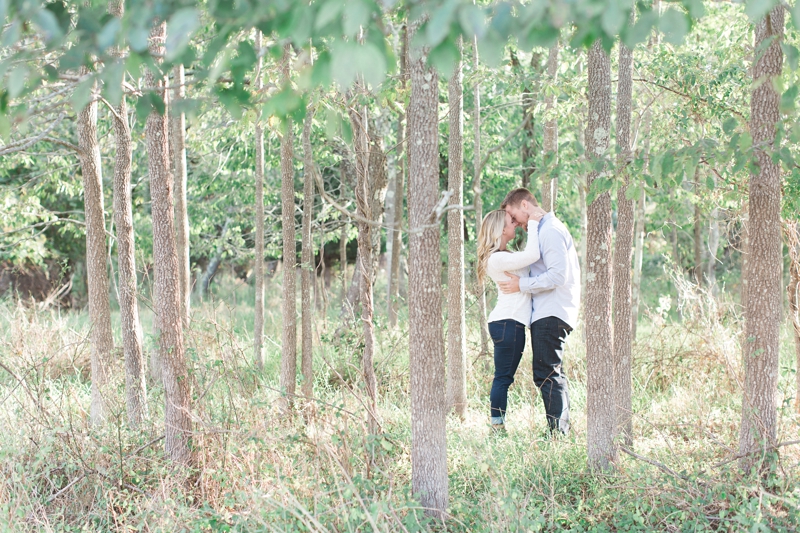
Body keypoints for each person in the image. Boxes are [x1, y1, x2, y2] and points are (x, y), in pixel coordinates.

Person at [499, 188, 580, 435]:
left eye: (513, 216)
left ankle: (558, 434)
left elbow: (557, 275)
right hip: (548, 311)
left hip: (551, 311)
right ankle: (560, 430)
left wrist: (520, 285)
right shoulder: (541, 231)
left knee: (547, 374)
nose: (514, 222)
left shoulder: (551, 230)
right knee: (550, 372)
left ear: (525, 205)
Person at [477, 209, 542, 432]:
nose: (514, 223)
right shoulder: (498, 258)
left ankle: (497, 425)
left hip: (508, 323)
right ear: (501, 229)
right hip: (508, 323)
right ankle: (496, 428)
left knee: (503, 377)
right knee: (503, 378)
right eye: (510, 221)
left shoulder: (505, 255)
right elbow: (532, 255)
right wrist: (533, 223)